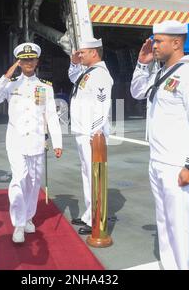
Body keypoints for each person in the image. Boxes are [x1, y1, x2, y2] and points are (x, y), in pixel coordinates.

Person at [130, 20, 189, 270]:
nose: (154, 45)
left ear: (176, 43)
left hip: (177, 163)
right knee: (164, 222)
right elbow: (136, 92)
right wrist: (142, 63)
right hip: (157, 159)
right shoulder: (160, 71)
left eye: (159, 41)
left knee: (180, 225)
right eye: (154, 40)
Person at [0, 42, 63, 243]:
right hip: (16, 140)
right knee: (19, 180)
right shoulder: (10, 84)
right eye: (24, 60)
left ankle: (28, 216)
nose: (28, 63)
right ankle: (18, 223)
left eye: (31, 59)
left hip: (37, 140)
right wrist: (5, 76)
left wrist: (57, 142)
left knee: (34, 182)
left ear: (37, 61)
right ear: (19, 62)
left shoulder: (45, 87)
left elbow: (52, 115)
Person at [68, 38, 113, 235]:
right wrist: (73, 62)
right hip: (82, 131)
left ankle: (96, 216)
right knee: (87, 174)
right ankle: (89, 214)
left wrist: (95, 134)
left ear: (94, 52)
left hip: (91, 134)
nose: (80, 55)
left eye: (83, 53)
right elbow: (72, 78)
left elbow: (102, 107)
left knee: (94, 176)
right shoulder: (88, 73)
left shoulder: (101, 75)